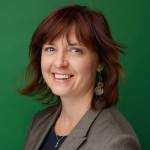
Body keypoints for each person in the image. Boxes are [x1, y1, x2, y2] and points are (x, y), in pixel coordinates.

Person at [20, 4, 141, 150]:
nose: (59, 62)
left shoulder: (116, 141)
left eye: (75, 50)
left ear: (100, 62)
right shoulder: (39, 122)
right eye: (50, 49)